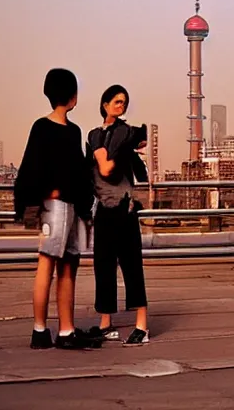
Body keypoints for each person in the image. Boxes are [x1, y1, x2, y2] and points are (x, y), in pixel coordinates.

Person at [14, 68, 97, 350]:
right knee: (55, 265)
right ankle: (48, 330)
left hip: (57, 205)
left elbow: (31, 169)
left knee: (59, 265)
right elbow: (78, 171)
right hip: (63, 205)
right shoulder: (69, 132)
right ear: (72, 97)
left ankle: (59, 330)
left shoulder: (46, 128)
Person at [86, 85, 149, 346]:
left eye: (124, 102)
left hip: (125, 206)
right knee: (103, 264)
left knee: (131, 264)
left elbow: (109, 167)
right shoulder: (96, 134)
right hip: (102, 206)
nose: (120, 106)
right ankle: (105, 323)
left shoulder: (125, 132)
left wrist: (129, 144)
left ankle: (142, 327)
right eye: (116, 101)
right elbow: (102, 165)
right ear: (104, 104)